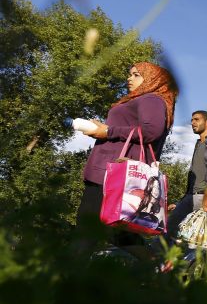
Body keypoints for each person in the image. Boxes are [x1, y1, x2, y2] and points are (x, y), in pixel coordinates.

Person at [75, 62, 177, 252]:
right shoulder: (139, 100)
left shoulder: (151, 99)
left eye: (136, 75)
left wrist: (109, 131)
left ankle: (64, 277)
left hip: (114, 175)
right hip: (110, 172)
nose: (129, 78)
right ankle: (161, 268)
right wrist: (101, 129)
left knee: (87, 229)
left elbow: (152, 131)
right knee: (120, 234)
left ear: (152, 79)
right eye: (130, 74)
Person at [166, 111, 207, 272]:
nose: (192, 122)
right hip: (191, 196)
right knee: (172, 229)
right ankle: (167, 265)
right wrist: (182, 201)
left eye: (196, 119)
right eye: (191, 120)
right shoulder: (198, 144)